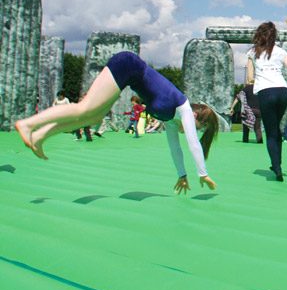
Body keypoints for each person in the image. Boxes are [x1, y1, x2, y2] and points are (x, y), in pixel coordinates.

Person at [14, 52, 218, 193]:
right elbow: (192, 144)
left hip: (129, 75)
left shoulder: (171, 120)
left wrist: (182, 175)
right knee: (85, 109)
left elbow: (176, 149)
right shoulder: (183, 107)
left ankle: (41, 135)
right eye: (199, 127)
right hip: (128, 65)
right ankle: (29, 124)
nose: (190, 131)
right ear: (195, 117)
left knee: (93, 118)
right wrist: (203, 173)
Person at [246, 21, 287, 182]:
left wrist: (254, 80)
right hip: (283, 92)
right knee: (276, 128)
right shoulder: (280, 51)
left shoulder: (252, 52)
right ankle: (277, 164)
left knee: (271, 132)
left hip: (266, 92)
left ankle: (276, 167)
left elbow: (249, 77)